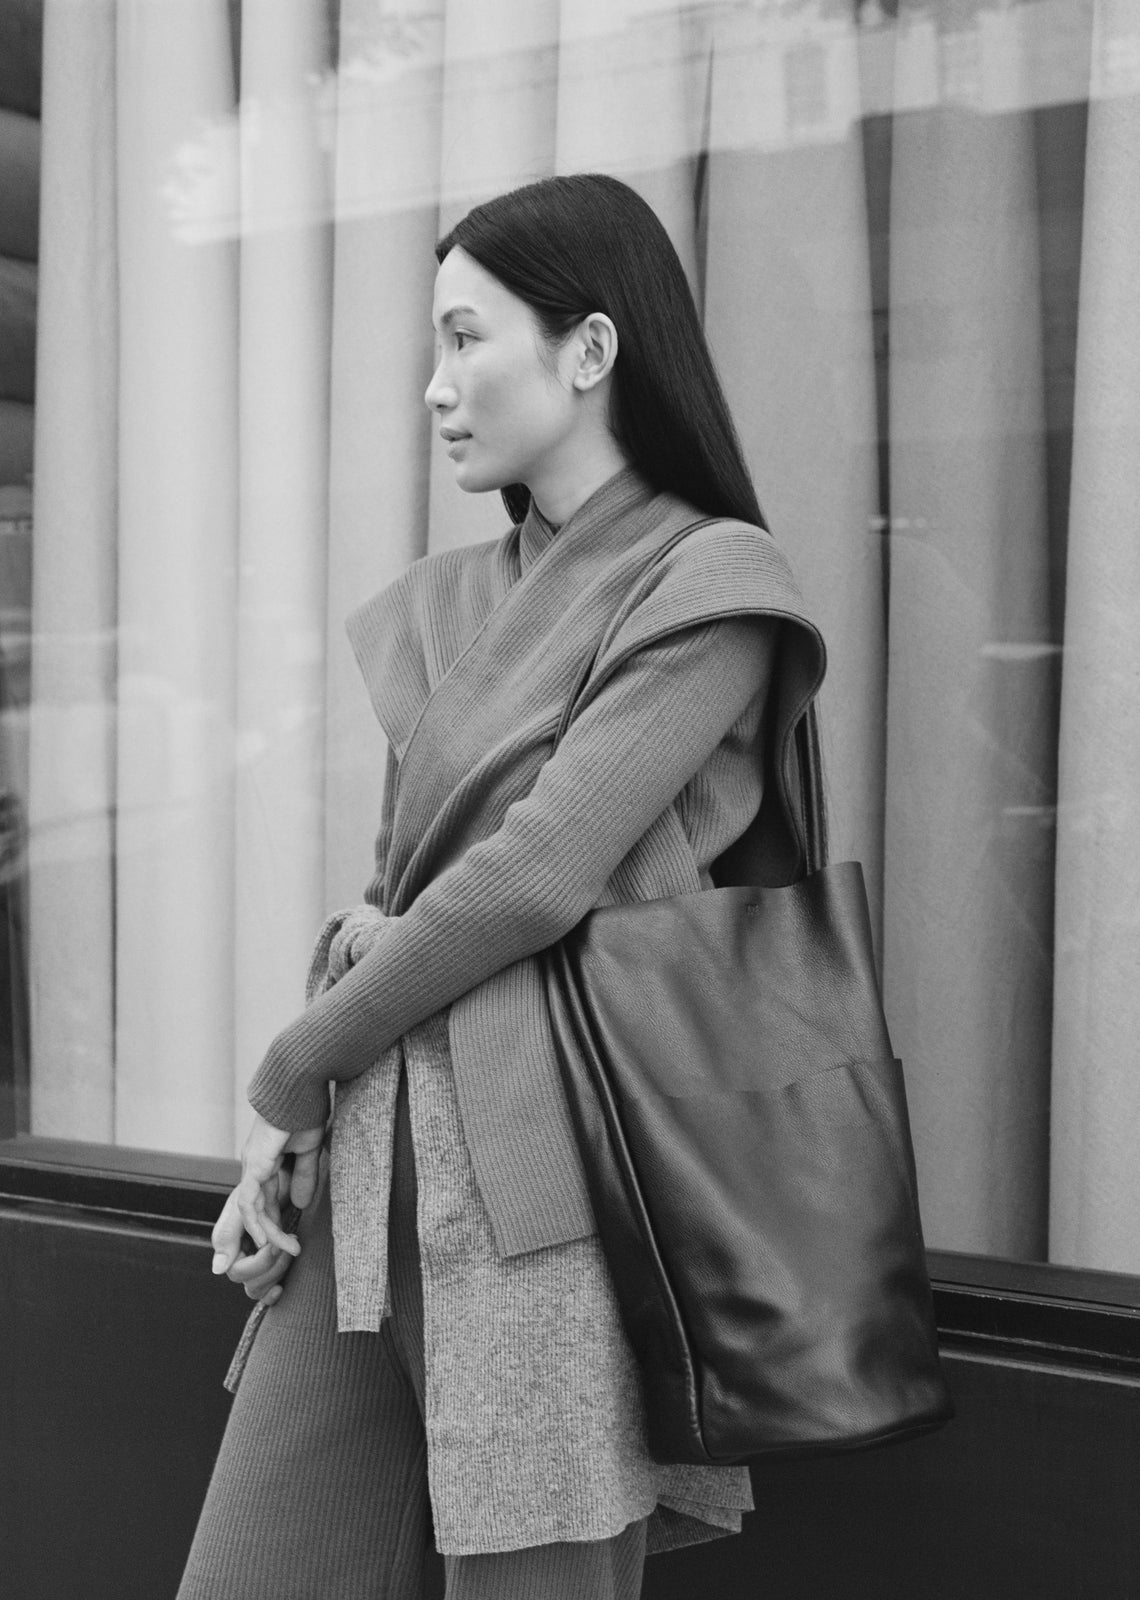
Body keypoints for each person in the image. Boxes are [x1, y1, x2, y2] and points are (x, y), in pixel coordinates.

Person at [178, 173, 824, 1600]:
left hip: (553, 1200)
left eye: (467, 338)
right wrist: (295, 1138)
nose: (435, 385)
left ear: (589, 351)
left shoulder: (707, 584)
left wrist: (290, 1068)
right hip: (371, 1179)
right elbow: (402, 885)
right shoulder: (453, 601)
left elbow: (534, 878)